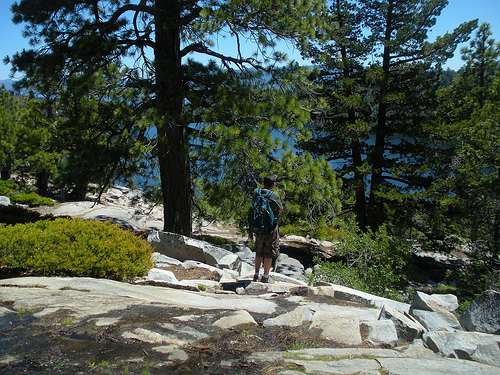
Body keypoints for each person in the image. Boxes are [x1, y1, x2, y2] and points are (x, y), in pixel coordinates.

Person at [252, 174, 283, 283]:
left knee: (259, 249)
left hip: (258, 226)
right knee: (269, 251)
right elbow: (280, 209)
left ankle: (256, 274)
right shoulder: (274, 195)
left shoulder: (256, 192)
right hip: (270, 227)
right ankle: (265, 276)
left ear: (263, 182)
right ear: (273, 184)